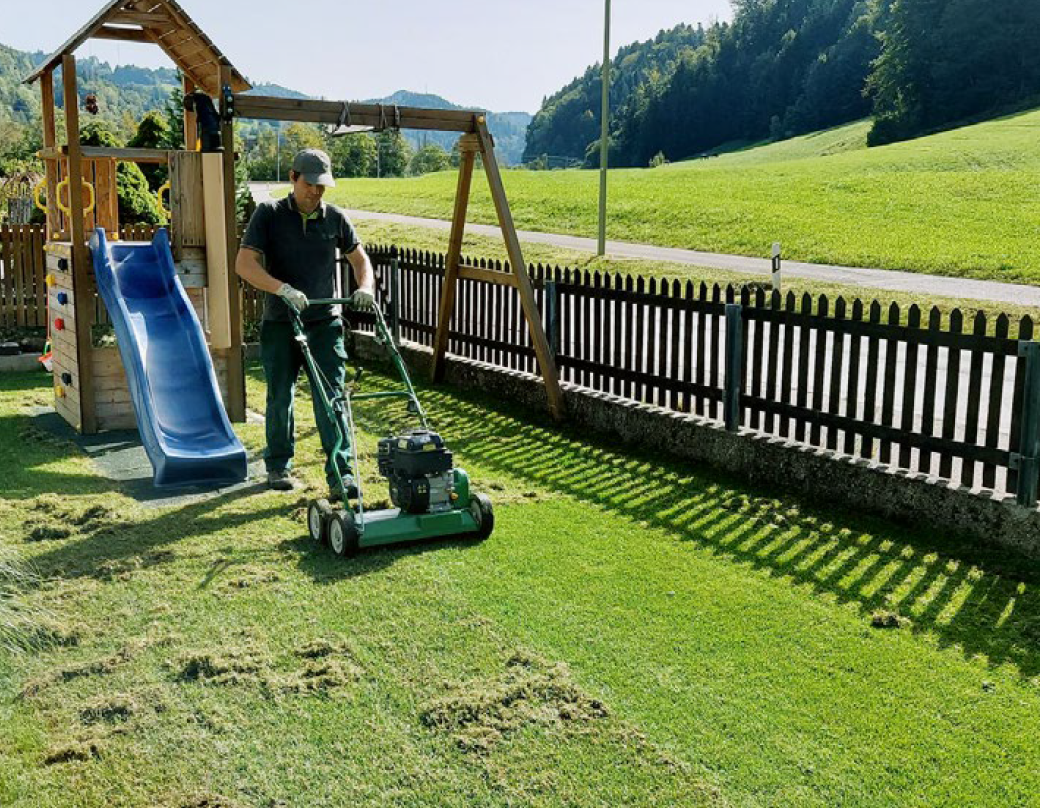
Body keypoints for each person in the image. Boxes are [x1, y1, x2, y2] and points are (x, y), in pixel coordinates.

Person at [235, 148, 375, 494]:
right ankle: (278, 466)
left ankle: (341, 474)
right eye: (309, 184)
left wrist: (365, 287)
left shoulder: (335, 218)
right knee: (280, 397)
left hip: (324, 324)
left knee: (331, 397)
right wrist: (281, 289)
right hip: (280, 322)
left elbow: (360, 260)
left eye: (321, 185)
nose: (315, 191)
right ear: (293, 178)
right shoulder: (269, 215)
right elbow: (244, 264)